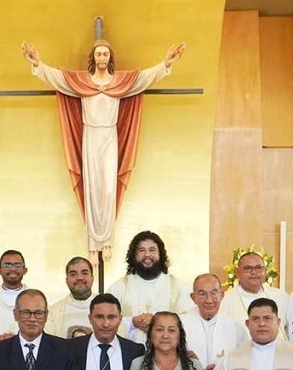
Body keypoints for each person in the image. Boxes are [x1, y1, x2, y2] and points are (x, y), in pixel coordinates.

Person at [21, 39, 185, 257]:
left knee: (108, 189)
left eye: (105, 54)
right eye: (98, 54)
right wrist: (38, 64)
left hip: (109, 137)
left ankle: (107, 242)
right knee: (91, 188)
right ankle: (92, 246)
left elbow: (144, 78)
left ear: (110, 58)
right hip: (91, 137)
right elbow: (58, 78)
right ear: (93, 57)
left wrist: (165, 63)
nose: (101, 58)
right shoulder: (81, 82)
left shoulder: (120, 83)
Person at [107, 230, 193, 343]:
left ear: (160, 254)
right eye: (141, 250)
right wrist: (132, 322)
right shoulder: (119, 288)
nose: (147, 254)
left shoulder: (179, 288)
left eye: (152, 250)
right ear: (134, 255)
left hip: (167, 356)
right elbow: (106, 321)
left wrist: (159, 323)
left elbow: (191, 322)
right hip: (129, 356)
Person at [182, 273, 247, 370]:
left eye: (214, 293)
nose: (209, 300)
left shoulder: (236, 328)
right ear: (193, 297)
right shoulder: (179, 325)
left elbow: (244, 363)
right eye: (202, 294)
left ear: (221, 295)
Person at [218, 252, 288, 334]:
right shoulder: (224, 301)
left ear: (265, 271)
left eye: (258, 268)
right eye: (248, 268)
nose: (254, 272)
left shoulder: (281, 296)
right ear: (237, 272)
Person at [45, 256, 98, 339]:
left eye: (84, 273)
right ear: (66, 280)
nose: (79, 278)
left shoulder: (108, 307)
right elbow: (49, 343)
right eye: (73, 274)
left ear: (92, 278)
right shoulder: (54, 311)